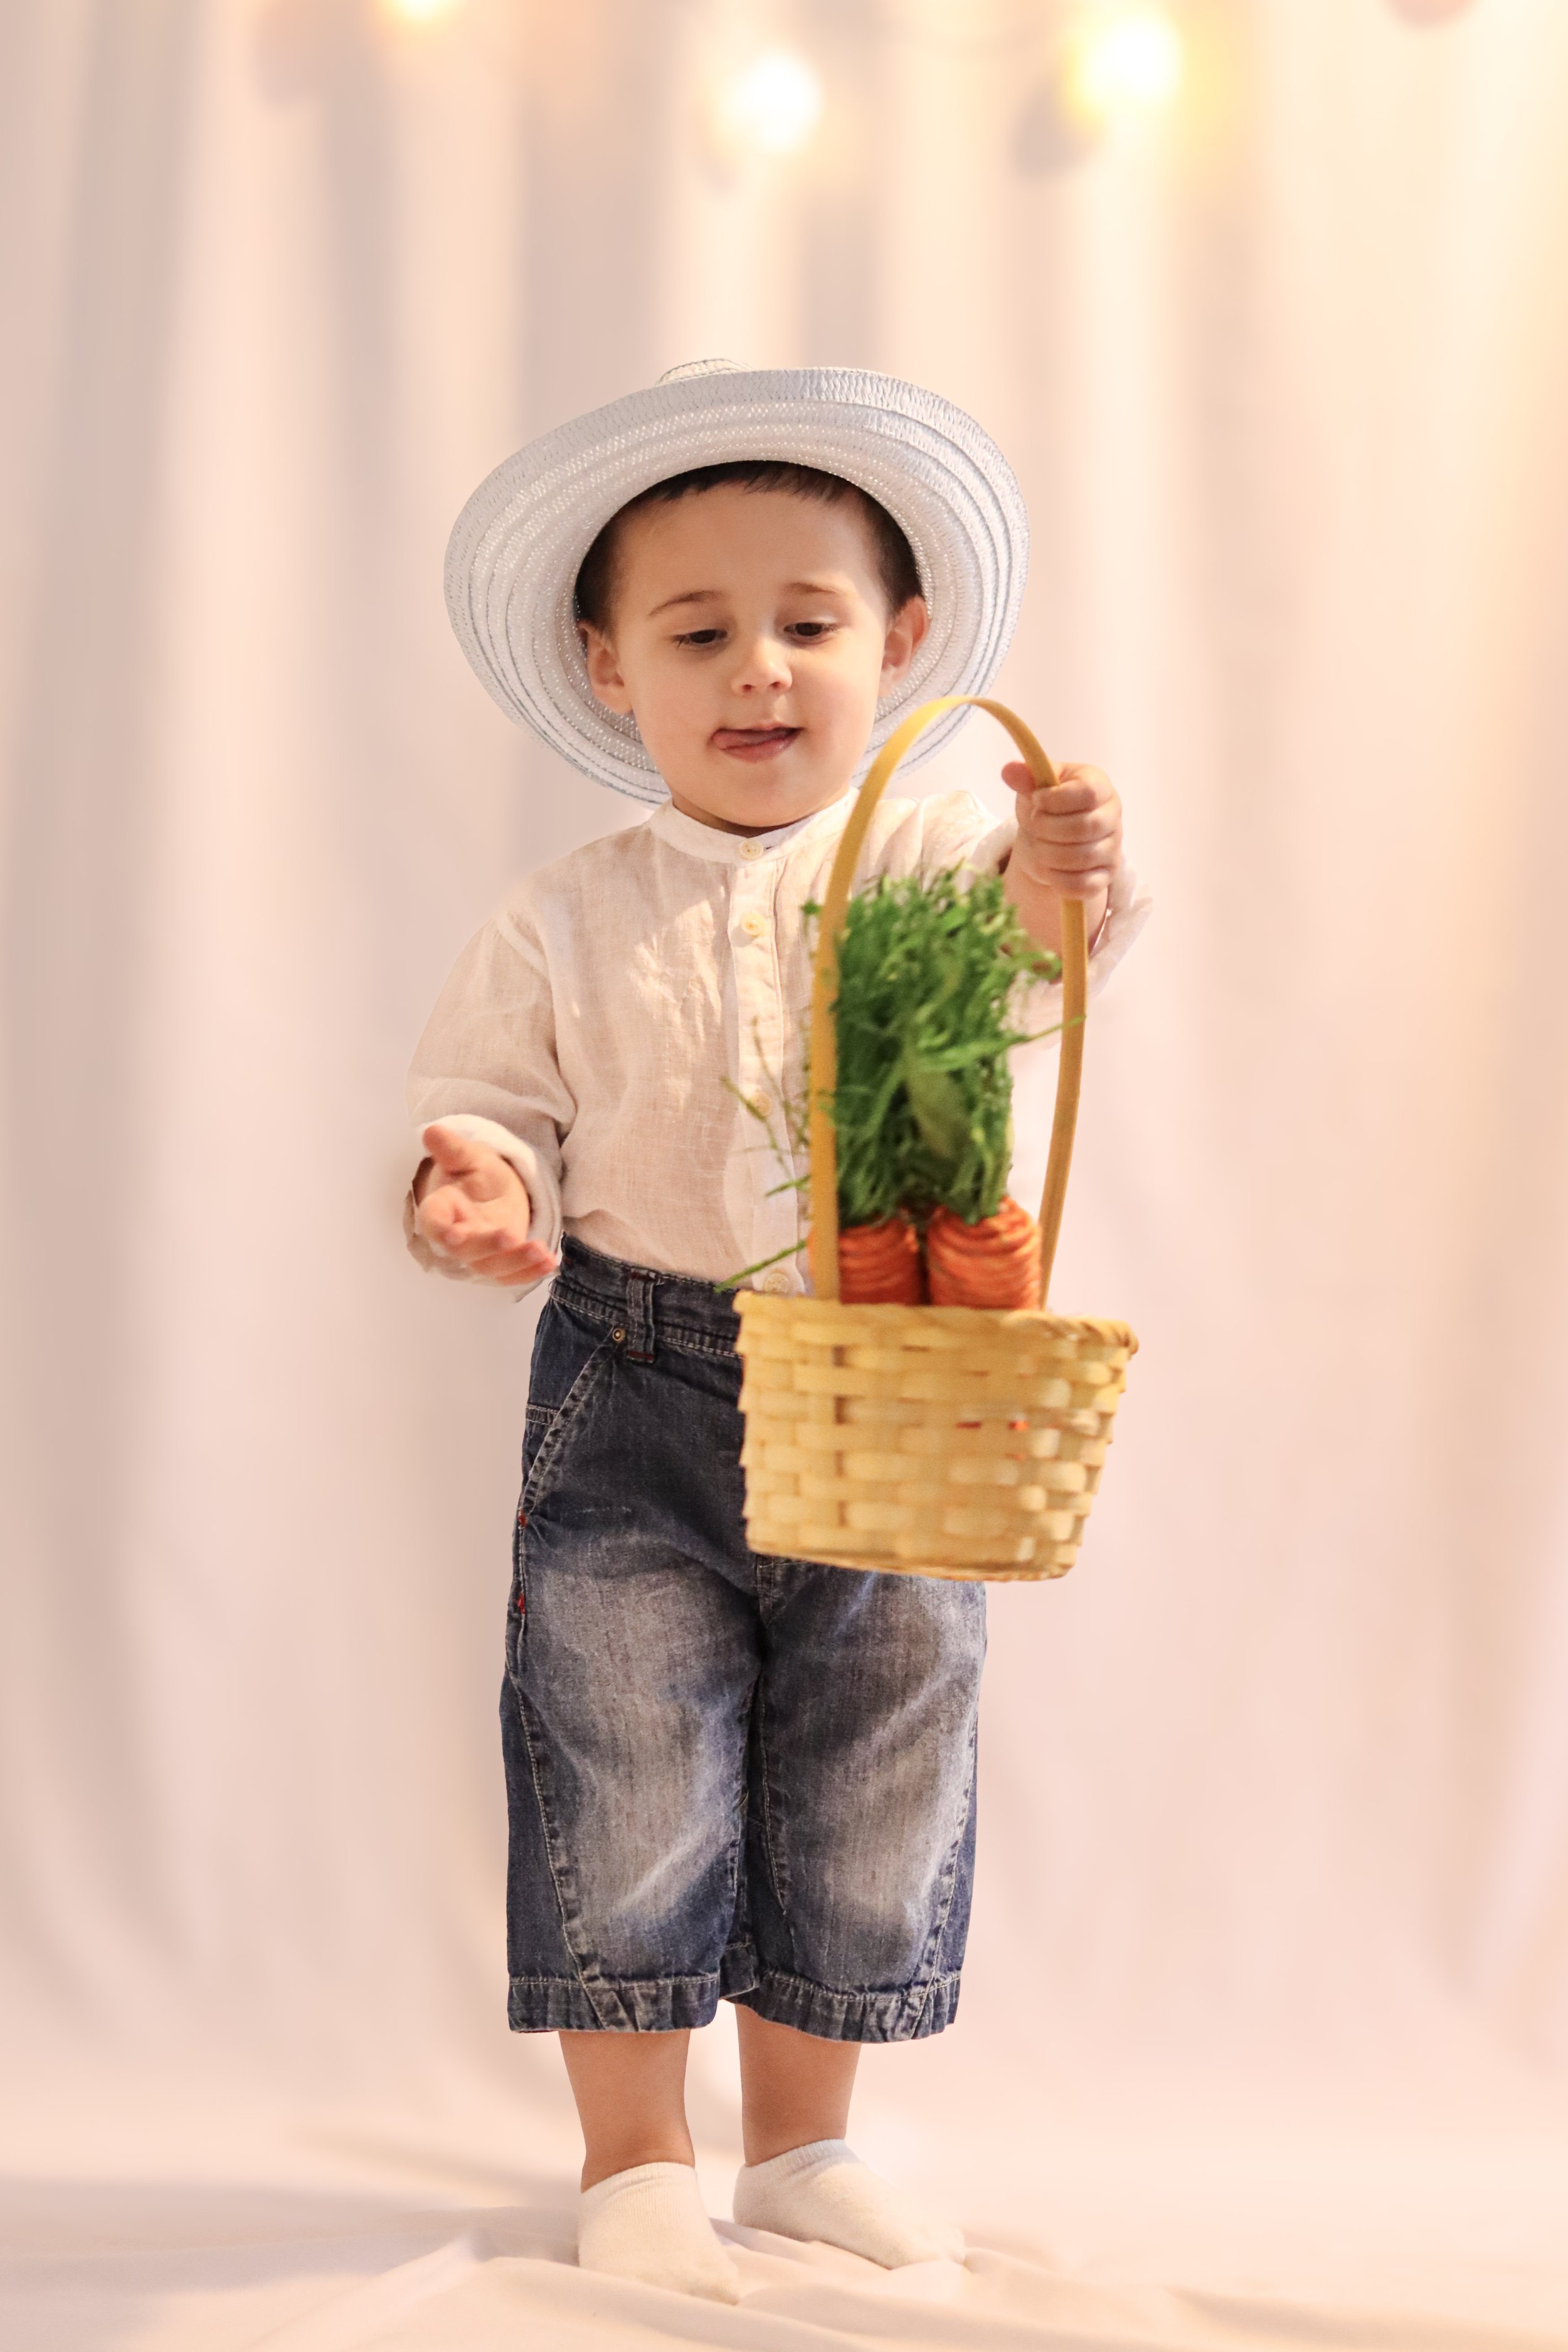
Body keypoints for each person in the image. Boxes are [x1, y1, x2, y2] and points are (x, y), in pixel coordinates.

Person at [406, 363, 1150, 2302]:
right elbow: (490, 1101)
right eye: (696, 630)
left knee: (869, 1753)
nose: (757, 669)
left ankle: (807, 2140)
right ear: (604, 668)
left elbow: (1039, 942)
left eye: (806, 623)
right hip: (632, 1378)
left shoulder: (915, 871)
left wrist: (1058, 878)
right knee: (617, 1747)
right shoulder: (563, 915)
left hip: (888, 1382)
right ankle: (635, 2158)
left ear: (899, 647)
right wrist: (475, 1183)